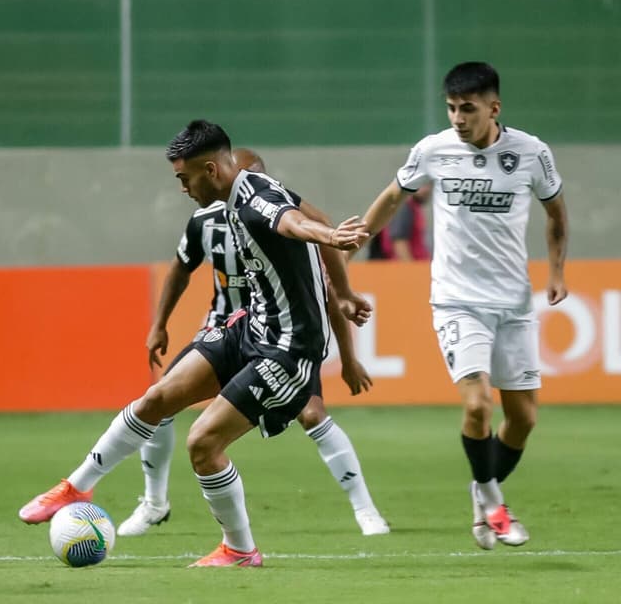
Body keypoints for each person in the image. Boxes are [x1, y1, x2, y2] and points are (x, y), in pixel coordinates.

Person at [19, 120, 371, 568]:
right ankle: (76, 486)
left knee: (203, 443)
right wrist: (340, 292)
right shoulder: (251, 183)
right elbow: (317, 220)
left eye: (184, 179)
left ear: (210, 169)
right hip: (251, 327)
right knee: (158, 398)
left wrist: (330, 240)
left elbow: (298, 225)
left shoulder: (255, 202)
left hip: (288, 352)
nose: (182, 189)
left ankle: (240, 550)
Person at [353, 61, 568, 550]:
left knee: (524, 420)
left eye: (467, 109)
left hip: (513, 303)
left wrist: (556, 271)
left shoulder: (531, 153)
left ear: (494, 108)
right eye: (451, 108)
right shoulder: (433, 150)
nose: (457, 118)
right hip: (457, 301)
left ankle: (481, 485)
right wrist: (355, 240)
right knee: (477, 406)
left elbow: (555, 211)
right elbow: (392, 196)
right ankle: (493, 506)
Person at [122, 148, 389, 538]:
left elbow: (323, 283)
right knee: (160, 400)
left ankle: (365, 510)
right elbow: (180, 268)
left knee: (312, 414)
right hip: (225, 334)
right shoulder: (209, 222)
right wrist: (159, 324)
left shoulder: (274, 220)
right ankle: (154, 502)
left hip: (279, 341)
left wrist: (348, 356)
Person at [367, 184, 432, 261]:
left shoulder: (413, 207)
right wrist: (411, 270)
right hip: (400, 268)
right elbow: (399, 243)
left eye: (429, 186)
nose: (427, 190)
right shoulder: (403, 207)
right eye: (422, 185)